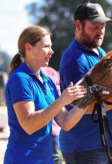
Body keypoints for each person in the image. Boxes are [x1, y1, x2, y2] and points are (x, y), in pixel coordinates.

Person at [59, 2, 112, 164]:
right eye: (94, 27)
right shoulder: (75, 60)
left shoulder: (100, 53)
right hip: (86, 148)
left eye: (102, 26)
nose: (100, 32)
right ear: (78, 25)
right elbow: (82, 106)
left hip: (109, 144)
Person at [4, 25, 88, 164]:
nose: (51, 51)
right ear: (28, 47)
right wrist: (61, 101)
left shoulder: (48, 81)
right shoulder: (20, 79)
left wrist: (87, 100)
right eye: (46, 46)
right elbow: (29, 125)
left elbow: (65, 122)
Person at [41, 66, 64, 164]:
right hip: (52, 130)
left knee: (56, 157)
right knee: (56, 158)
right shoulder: (47, 72)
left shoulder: (49, 72)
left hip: (54, 129)